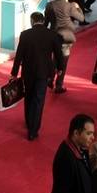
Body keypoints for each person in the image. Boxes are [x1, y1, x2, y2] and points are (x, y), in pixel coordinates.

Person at [11, 12, 63, 140]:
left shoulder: (25, 35)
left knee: (28, 96)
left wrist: (14, 73)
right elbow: (58, 53)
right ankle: (33, 130)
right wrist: (60, 68)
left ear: (32, 21)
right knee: (39, 100)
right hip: (43, 72)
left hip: (28, 72)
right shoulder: (52, 34)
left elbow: (19, 55)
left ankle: (28, 121)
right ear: (43, 20)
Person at [45, 0, 86, 93]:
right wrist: (78, 8)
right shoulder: (70, 6)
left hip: (53, 36)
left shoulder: (50, 5)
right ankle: (59, 85)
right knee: (63, 61)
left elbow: (46, 23)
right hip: (66, 37)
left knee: (55, 58)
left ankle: (50, 79)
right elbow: (81, 19)